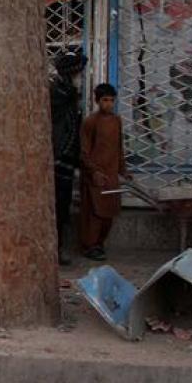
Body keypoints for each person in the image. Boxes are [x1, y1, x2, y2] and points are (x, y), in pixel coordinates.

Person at [79, 83, 128, 261]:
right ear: (97, 101)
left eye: (111, 100)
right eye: (105, 100)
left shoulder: (117, 121)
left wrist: (124, 170)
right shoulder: (90, 122)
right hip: (95, 176)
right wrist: (93, 171)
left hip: (111, 174)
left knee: (109, 213)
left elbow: (119, 148)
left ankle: (100, 243)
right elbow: (84, 152)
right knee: (93, 214)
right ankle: (89, 245)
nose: (109, 104)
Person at [50, 52, 86, 266]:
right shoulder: (58, 94)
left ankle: (58, 247)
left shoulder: (68, 94)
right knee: (56, 207)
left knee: (62, 207)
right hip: (57, 157)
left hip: (66, 158)